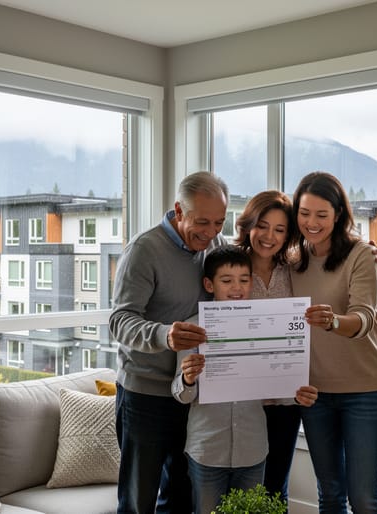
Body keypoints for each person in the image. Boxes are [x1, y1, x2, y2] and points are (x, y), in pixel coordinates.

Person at [110, 171, 229, 514]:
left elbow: (261, 256)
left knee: (180, 494)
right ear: (179, 210)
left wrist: (360, 248)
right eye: (202, 222)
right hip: (144, 394)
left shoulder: (216, 247)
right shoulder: (143, 251)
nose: (210, 234)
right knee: (138, 499)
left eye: (219, 223)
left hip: (191, 394)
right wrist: (165, 335)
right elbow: (120, 321)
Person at [172, 245, 318, 514]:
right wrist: (188, 379)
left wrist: (298, 392)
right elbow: (181, 394)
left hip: (253, 449)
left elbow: (278, 382)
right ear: (209, 284)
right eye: (226, 281)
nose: (236, 288)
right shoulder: (192, 329)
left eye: (244, 280)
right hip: (207, 449)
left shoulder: (267, 324)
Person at [290, 171, 377, 514]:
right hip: (315, 394)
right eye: (304, 213)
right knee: (330, 496)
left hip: (364, 391)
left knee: (363, 498)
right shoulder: (292, 260)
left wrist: (332, 321)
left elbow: (363, 319)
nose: (312, 222)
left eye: (321, 214)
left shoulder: (361, 254)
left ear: (338, 215)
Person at [233, 191, 300, 503]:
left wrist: (369, 251)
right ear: (249, 225)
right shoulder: (229, 266)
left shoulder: (296, 268)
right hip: (240, 401)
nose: (269, 236)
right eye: (262, 225)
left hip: (286, 400)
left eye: (279, 229)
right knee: (239, 489)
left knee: (275, 489)